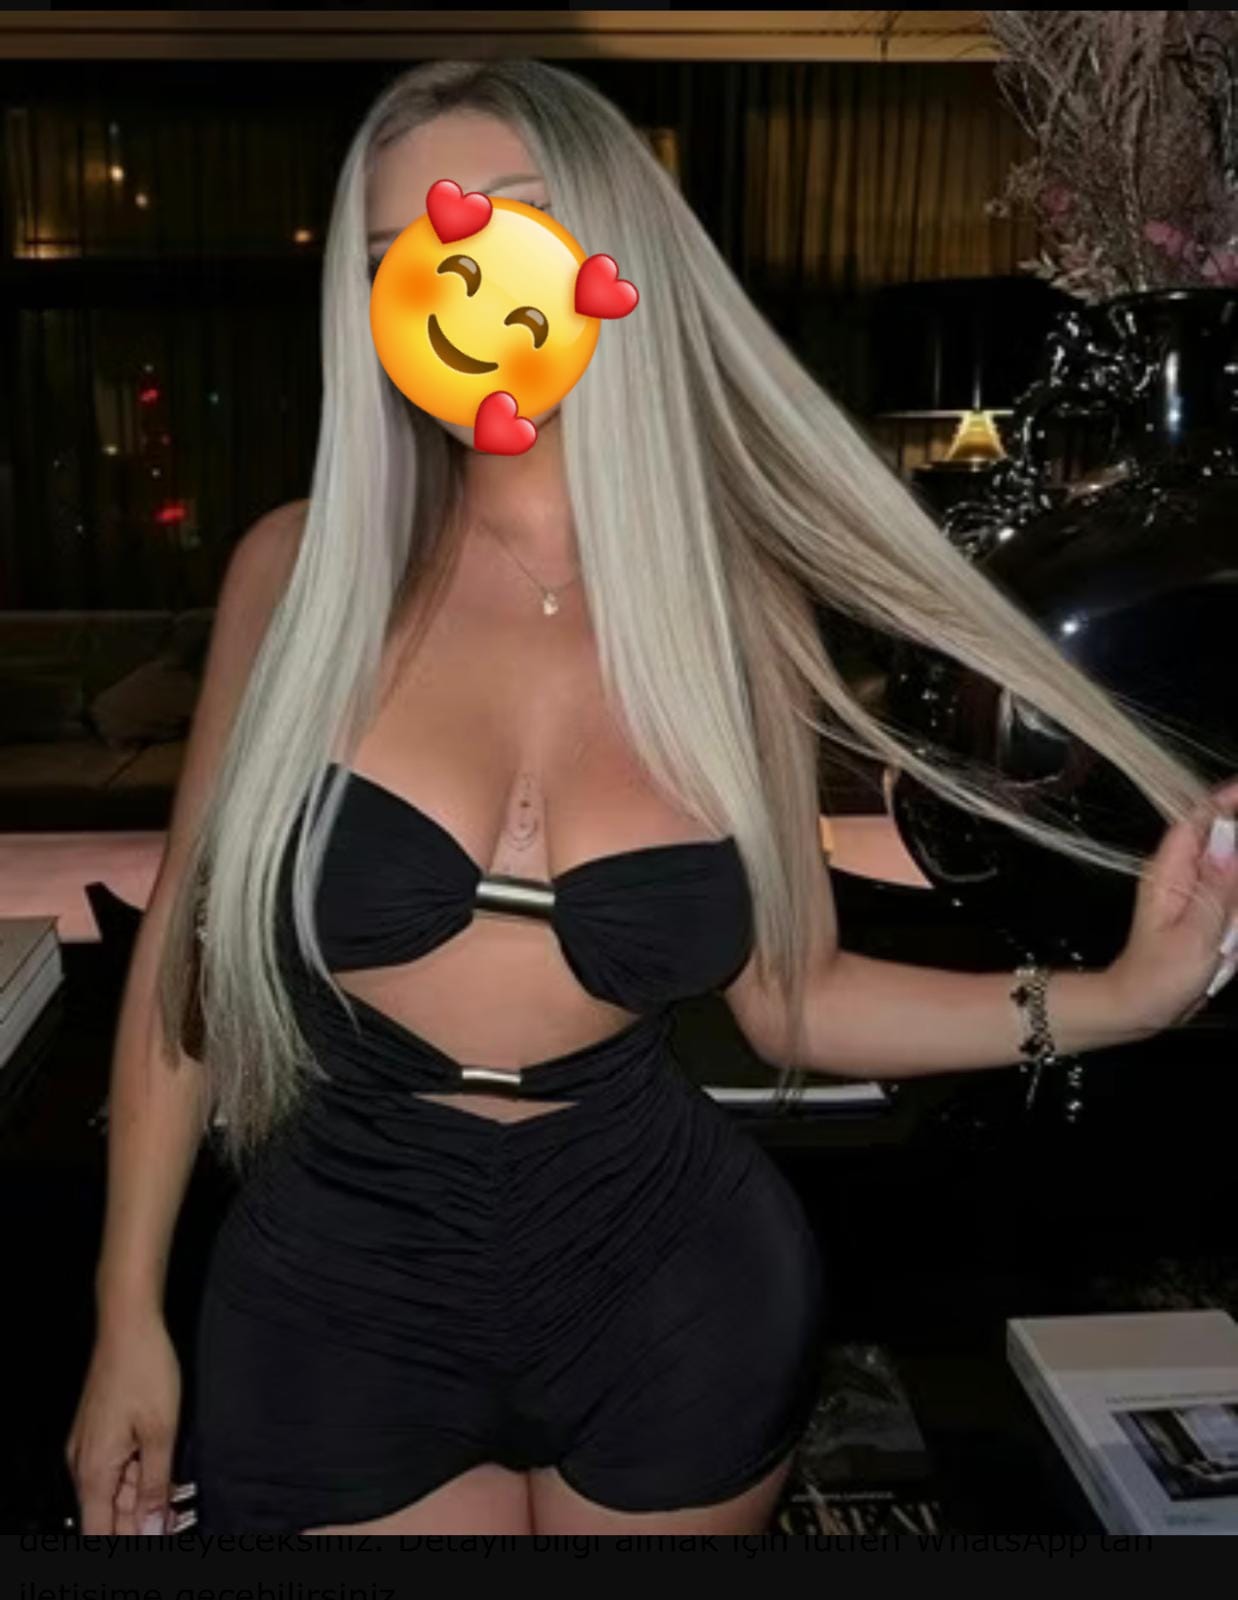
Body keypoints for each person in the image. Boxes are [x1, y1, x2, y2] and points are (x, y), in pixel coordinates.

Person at [66, 59, 1238, 1537]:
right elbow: (181, 976)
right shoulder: (296, 575)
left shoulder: (731, 610)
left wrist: (1121, 998)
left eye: (508, 224)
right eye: (395, 255)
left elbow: (792, 1000)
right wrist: (125, 1315)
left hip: (676, 1293)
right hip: (339, 1296)